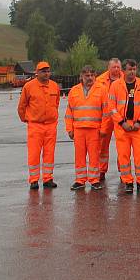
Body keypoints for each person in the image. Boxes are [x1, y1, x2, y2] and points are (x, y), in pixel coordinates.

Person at [108, 59, 140, 194]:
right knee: (123, 155)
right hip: (122, 127)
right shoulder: (115, 85)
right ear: (124, 71)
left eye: (134, 69)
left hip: (138, 126)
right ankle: (127, 181)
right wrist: (122, 122)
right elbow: (112, 107)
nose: (132, 72)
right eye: (129, 69)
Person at [64, 65, 108, 191]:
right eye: (87, 75)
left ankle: (94, 180)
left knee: (94, 156)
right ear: (81, 77)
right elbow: (69, 112)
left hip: (94, 129)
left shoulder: (102, 89)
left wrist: (104, 129)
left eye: (92, 75)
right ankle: (80, 180)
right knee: (79, 156)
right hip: (78, 129)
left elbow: (106, 112)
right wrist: (69, 129)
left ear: (95, 76)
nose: (90, 78)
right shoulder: (74, 90)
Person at [18, 61, 61, 189]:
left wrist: (52, 116)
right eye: (43, 71)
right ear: (37, 73)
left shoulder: (54, 86)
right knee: (34, 153)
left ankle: (48, 179)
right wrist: (26, 119)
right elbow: (22, 106)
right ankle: (34, 180)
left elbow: (56, 103)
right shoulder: (29, 86)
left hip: (51, 125)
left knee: (49, 153)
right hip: (35, 125)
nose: (46, 73)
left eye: (48, 71)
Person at [96, 58, 122, 181]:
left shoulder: (126, 79)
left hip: (120, 117)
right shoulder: (99, 80)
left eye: (118, 67)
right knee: (102, 146)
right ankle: (101, 170)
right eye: (114, 67)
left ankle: (124, 171)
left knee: (123, 145)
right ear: (108, 68)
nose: (116, 70)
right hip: (105, 118)